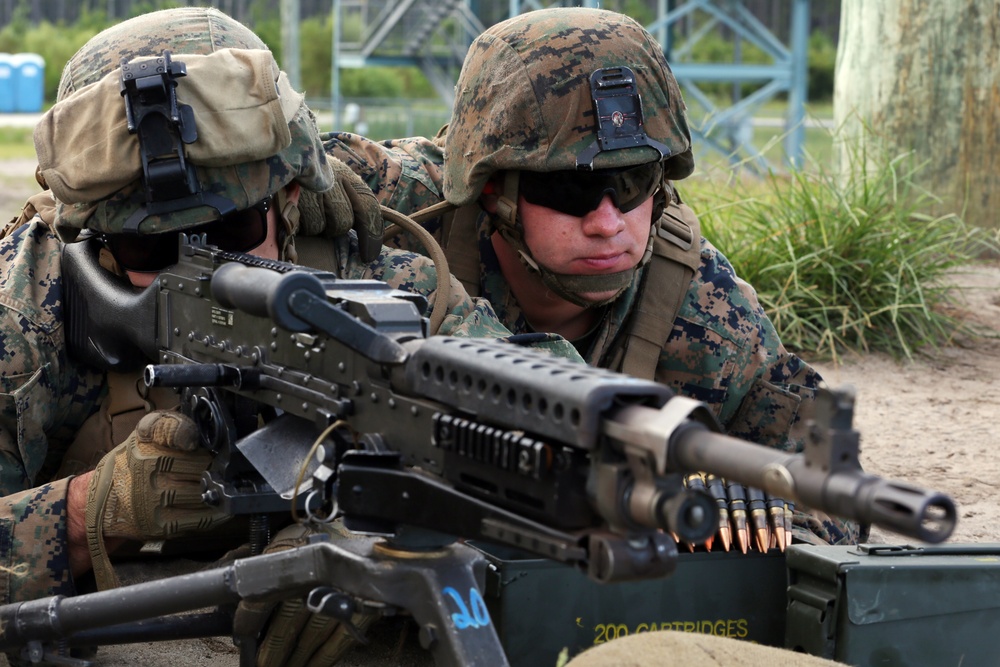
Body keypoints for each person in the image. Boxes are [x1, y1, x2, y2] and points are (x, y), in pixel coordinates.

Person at [0, 5, 581, 618]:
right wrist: (95, 509)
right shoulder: (27, 319)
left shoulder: (360, 281)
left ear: (291, 197)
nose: (199, 271)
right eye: (149, 246)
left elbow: (523, 394)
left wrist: (360, 547)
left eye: (232, 231)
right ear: (90, 240)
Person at [324, 7, 860, 546]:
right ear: (493, 191)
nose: (607, 223)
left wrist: (752, 543)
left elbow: (829, 489)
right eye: (570, 190)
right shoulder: (400, 212)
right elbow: (278, 175)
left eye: (632, 182)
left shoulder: (707, 314)